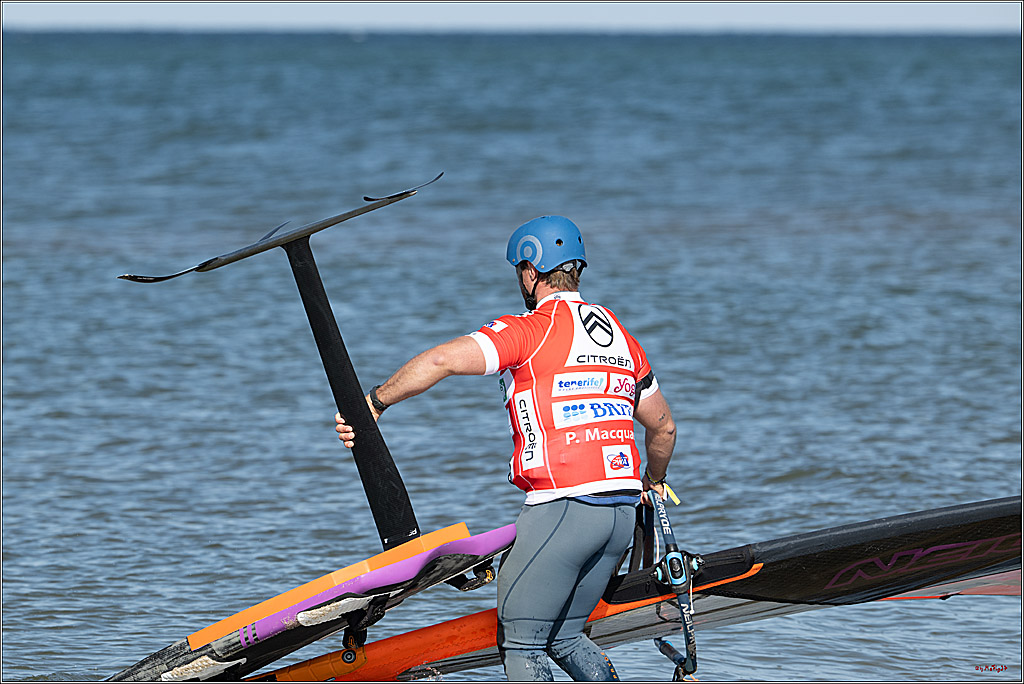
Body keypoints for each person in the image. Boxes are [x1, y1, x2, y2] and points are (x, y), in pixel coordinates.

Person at [335, 215, 677, 682]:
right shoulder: (622, 337)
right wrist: (652, 482)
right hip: (619, 512)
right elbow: (663, 429)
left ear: (531, 272)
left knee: (522, 644)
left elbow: (440, 360)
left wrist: (373, 402)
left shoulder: (528, 331)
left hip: (564, 509)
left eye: (520, 269)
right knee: (565, 636)